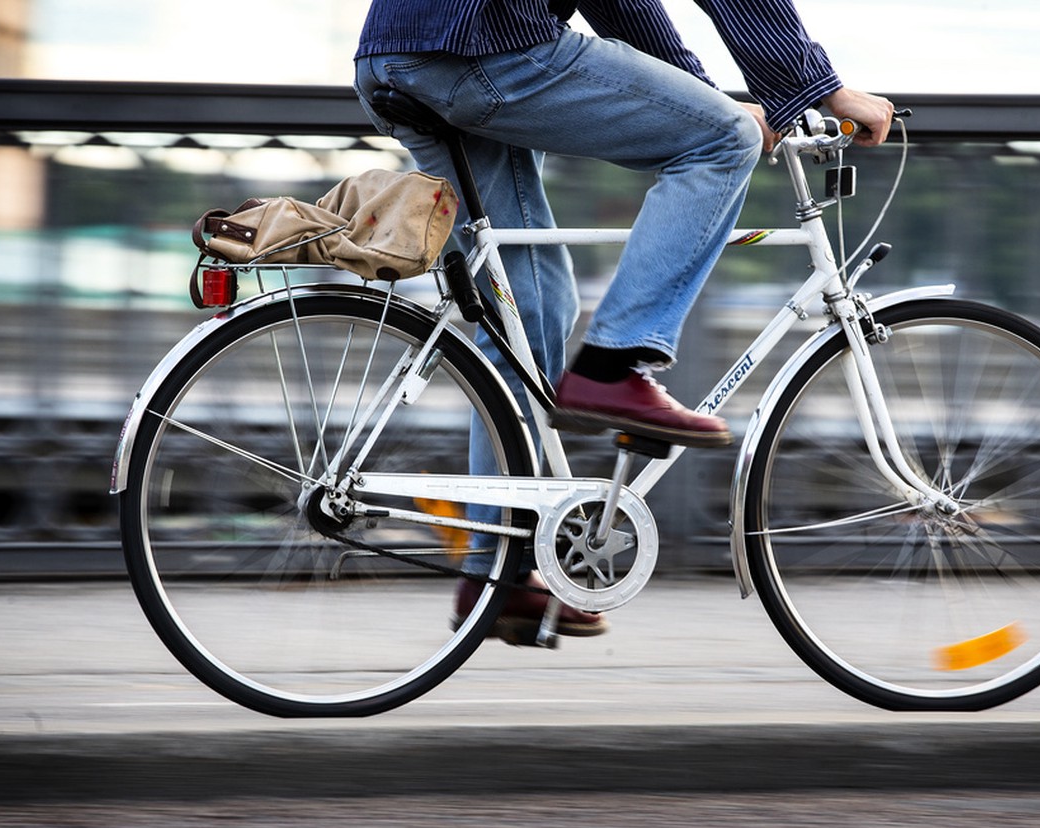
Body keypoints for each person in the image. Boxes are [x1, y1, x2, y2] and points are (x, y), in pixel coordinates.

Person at [353, 0, 894, 643]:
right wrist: (816, 88)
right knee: (726, 140)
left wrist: (699, 92)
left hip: (396, 54)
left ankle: (497, 570)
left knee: (528, 308)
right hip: (485, 46)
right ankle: (613, 364)